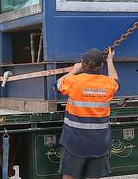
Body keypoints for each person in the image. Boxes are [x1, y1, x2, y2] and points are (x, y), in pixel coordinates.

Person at [54, 48, 119, 179]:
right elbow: (116, 81)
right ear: (101, 66)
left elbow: (57, 85)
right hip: (99, 142)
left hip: (74, 141)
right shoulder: (108, 84)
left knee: (69, 176)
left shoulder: (74, 81)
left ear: (83, 63)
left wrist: (74, 70)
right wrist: (110, 60)